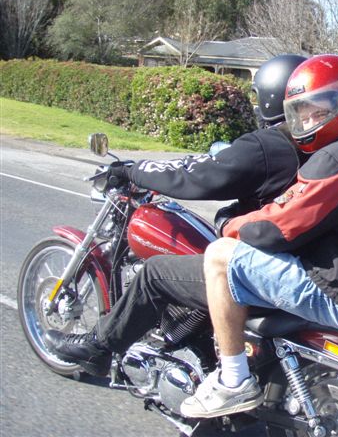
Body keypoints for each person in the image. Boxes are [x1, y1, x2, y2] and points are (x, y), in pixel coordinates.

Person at [179, 54, 338, 418]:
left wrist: (229, 225)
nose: (308, 121)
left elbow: (276, 228)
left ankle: (233, 381)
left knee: (219, 256)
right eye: (301, 112)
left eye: (319, 111)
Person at [44, 54, 308, 376]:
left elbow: (198, 175)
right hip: (296, 262)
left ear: (269, 95)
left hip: (263, 267)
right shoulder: (315, 144)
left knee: (154, 274)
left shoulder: (268, 146)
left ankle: (97, 349)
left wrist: (133, 171)